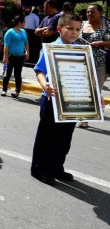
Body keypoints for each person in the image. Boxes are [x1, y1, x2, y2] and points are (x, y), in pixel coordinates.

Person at [30, 13, 82, 185]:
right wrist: (45, 85)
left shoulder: (81, 50)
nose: (74, 33)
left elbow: (86, 75)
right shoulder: (50, 48)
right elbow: (39, 71)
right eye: (70, 28)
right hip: (52, 99)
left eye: (78, 29)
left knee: (65, 137)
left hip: (71, 100)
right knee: (47, 136)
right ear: (60, 29)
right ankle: (40, 169)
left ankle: (56, 168)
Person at [77, 4, 110, 128]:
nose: (89, 14)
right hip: (79, 62)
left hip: (98, 64)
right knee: (80, 90)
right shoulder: (81, 24)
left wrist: (100, 43)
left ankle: (85, 118)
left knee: (94, 90)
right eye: (88, 12)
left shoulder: (106, 26)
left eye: (92, 12)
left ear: (100, 13)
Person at [1, 15, 29, 98]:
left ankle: (17, 91)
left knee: (18, 74)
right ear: (19, 22)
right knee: (7, 74)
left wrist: (27, 52)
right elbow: (6, 45)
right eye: (24, 22)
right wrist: (5, 57)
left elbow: (26, 43)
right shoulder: (10, 32)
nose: (25, 24)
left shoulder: (24, 31)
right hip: (11, 56)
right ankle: (4, 89)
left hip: (20, 56)